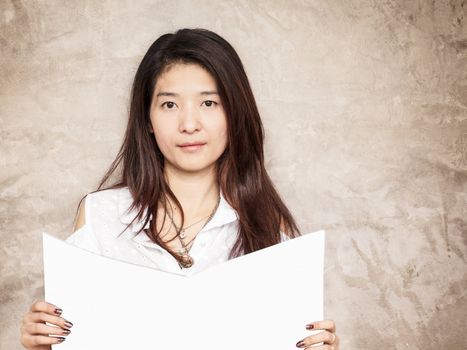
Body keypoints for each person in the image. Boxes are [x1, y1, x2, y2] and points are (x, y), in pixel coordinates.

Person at [20, 28, 339, 349]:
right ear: (147, 118)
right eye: (170, 105)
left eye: (209, 103)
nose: (189, 124)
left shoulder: (269, 226)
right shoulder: (100, 215)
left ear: (234, 113)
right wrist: (43, 345)